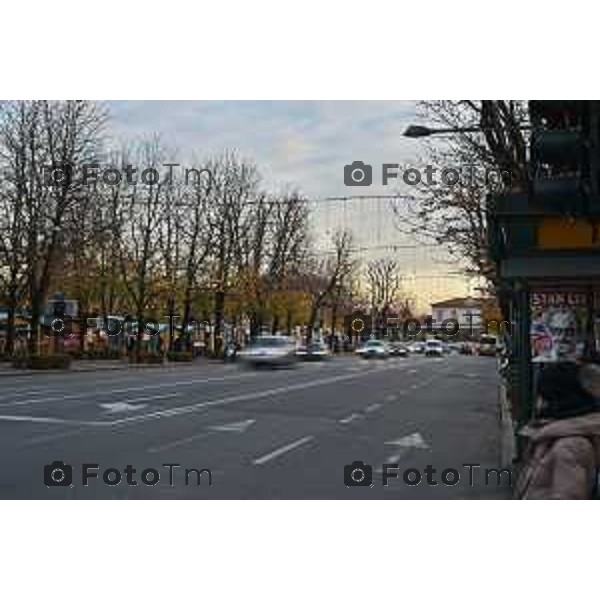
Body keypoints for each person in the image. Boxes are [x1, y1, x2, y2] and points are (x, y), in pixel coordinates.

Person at [515, 362, 600, 500]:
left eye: (543, 395)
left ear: (555, 398)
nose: (538, 402)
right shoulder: (559, 434)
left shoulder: (569, 447)